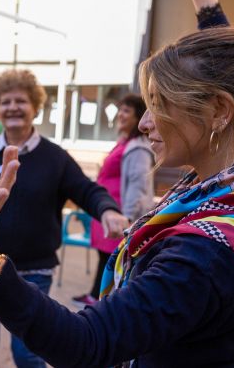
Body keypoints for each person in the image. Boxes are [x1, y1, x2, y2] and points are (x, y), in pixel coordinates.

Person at [0, 8, 234, 368]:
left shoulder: (207, 254)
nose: (144, 122)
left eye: (158, 103)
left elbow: (86, 343)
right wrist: (209, 14)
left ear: (220, 111)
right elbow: (233, 76)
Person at [0, 69, 129, 368]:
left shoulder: (54, 156)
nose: (13, 107)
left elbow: (87, 190)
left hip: (34, 272)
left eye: (21, 101)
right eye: (6, 101)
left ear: (35, 107)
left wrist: (107, 209)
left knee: (28, 354)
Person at [72, 94, 154, 308]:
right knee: (104, 255)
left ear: (138, 117)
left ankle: (105, 302)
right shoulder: (124, 142)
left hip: (120, 212)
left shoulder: (138, 147)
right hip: (108, 209)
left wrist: (128, 217)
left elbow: (138, 184)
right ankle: (95, 295)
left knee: (113, 257)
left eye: (127, 111)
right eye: (120, 109)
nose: (121, 114)